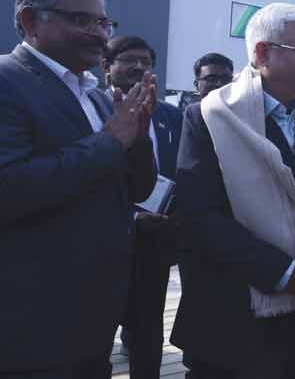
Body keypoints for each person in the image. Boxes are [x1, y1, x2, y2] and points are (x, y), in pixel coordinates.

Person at [172, 2, 295, 379]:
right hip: (234, 326)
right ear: (261, 53)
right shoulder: (210, 116)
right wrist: (285, 272)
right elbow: (199, 216)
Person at [0, 0, 156, 378]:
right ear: (30, 21)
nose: (98, 34)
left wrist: (138, 137)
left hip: (94, 318)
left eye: (103, 22)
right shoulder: (6, 80)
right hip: (28, 325)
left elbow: (136, 190)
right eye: (81, 20)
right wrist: (112, 140)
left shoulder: (101, 99)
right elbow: (9, 187)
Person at [101, 35, 183, 379]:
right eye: (129, 60)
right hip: (103, 240)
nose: (138, 67)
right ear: (107, 68)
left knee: (148, 326)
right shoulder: (93, 108)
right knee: (99, 327)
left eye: (146, 62)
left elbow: (182, 169)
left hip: (155, 240)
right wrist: (134, 217)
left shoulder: (170, 116)